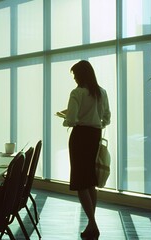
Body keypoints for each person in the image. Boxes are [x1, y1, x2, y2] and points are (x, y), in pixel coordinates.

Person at [57, 60, 111, 239]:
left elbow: (72, 120)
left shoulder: (77, 92)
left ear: (80, 75)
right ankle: (90, 224)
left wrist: (65, 117)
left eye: (75, 75)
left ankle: (93, 224)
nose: (74, 79)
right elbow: (107, 118)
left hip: (80, 136)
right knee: (90, 180)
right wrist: (96, 122)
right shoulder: (101, 92)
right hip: (94, 135)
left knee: (80, 181)